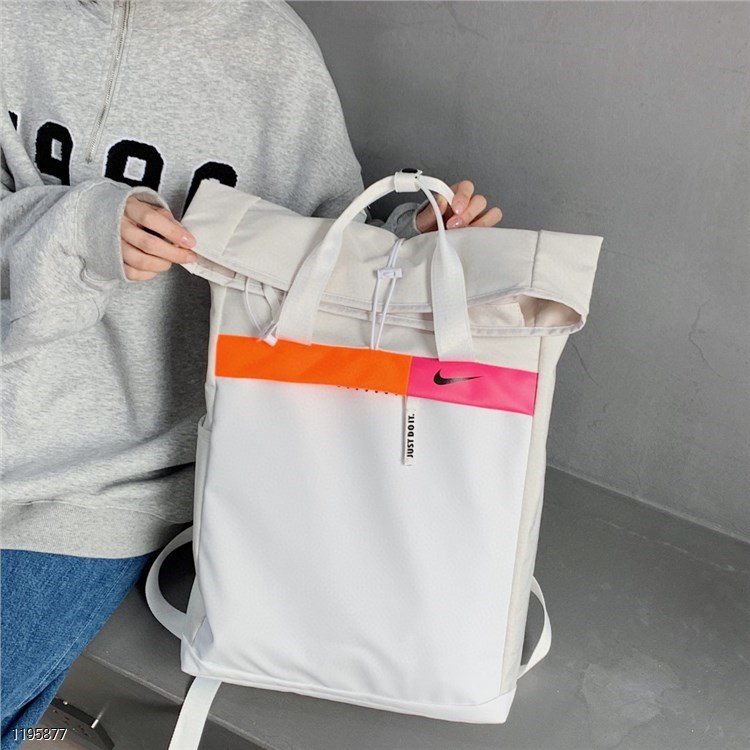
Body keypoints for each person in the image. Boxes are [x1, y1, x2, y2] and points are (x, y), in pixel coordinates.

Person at [0, 1, 502, 744]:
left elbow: (320, 254)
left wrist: (411, 249)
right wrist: (74, 229)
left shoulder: (272, 51)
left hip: (110, 480)